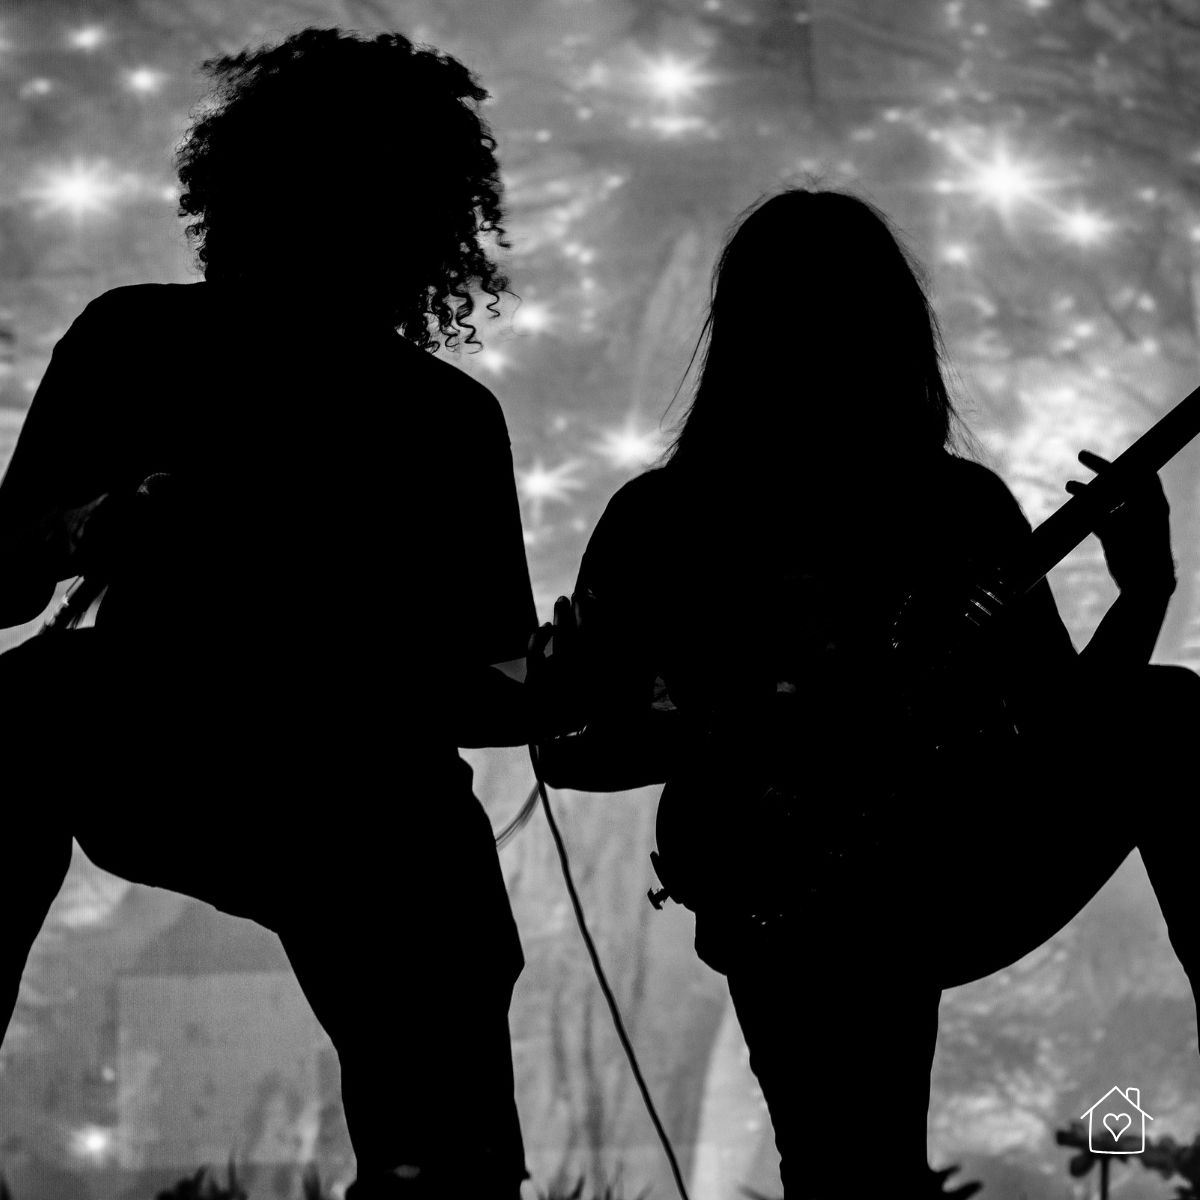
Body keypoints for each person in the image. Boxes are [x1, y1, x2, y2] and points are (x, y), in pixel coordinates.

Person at [539, 187, 1200, 1198]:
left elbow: (1060, 735)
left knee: (1170, 716)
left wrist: (1144, 590)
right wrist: (747, 735)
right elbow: (572, 745)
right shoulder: (675, 521)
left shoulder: (937, 507)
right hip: (799, 896)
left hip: (925, 867)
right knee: (856, 1169)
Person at [0, 28, 546, 1200]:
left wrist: (576, 683)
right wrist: (89, 522)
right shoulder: (139, 340)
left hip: (344, 794)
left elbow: (490, 685)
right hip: (192, 752)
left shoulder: (447, 418)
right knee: (29, 709)